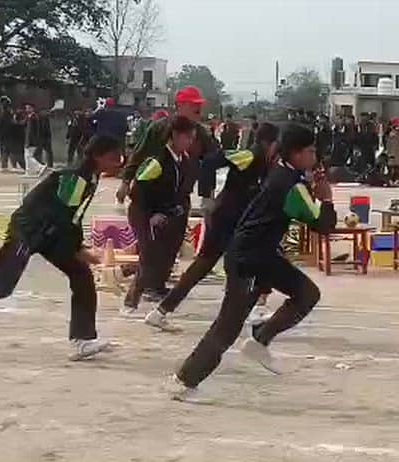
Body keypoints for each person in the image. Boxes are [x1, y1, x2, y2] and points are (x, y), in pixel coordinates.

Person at [169, 123, 335, 401]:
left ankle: (260, 339)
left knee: (307, 294)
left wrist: (313, 189)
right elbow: (323, 225)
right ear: (296, 153)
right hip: (248, 257)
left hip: (263, 254)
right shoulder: (290, 184)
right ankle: (184, 379)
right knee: (228, 324)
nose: (314, 155)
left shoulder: (286, 173)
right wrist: (326, 199)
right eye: (310, 150)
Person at [0, 135, 122, 361]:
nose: (117, 163)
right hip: (28, 231)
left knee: (81, 274)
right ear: (97, 156)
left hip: (50, 233)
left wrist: (77, 247)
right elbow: (63, 218)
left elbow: (72, 218)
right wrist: (78, 249)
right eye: (113, 158)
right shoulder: (75, 178)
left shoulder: (90, 178)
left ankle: (83, 339)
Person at [147, 122, 281, 331]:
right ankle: (161, 311)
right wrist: (207, 198)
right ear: (267, 142)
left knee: (245, 263)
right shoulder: (248, 155)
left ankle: (163, 311)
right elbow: (210, 162)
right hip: (225, 216)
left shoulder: (267, 161)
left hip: (240, 219)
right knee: (208, 264)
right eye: (276, 144)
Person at [117, 86, 216, 309]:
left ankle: (157, 283)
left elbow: (211, 162)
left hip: (180, 197)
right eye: (194, 106)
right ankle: (140, 291)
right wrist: (126, 182)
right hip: (155, 196)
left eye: (200, 106)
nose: (199, 110)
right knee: (153, 246)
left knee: (173, 242)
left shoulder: (201, 133)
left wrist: (207, 195)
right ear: (180, 106)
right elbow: (139, 156)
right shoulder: (159, 130)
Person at [119, 114, 198, 314]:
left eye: (191, 137)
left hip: (168, 214)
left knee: (166, 252)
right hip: (143, 212)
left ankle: (146, 281)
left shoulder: (184, 160)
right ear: (174, 136)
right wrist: (151, 214)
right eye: (187, 137)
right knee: (149, 254)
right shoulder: (156, 161)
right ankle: (131, 300)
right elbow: (139, 191)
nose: (190, 142)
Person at [0, 97, 25, 172]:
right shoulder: (2, 112)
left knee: (9, 150)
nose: (2, 104)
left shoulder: (8, 112)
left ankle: (13, 165)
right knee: (6, 150)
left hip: (9, 134)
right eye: (2, 103)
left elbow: (11, 123)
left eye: (4, 102)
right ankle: (5, 166)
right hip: (4, 134)